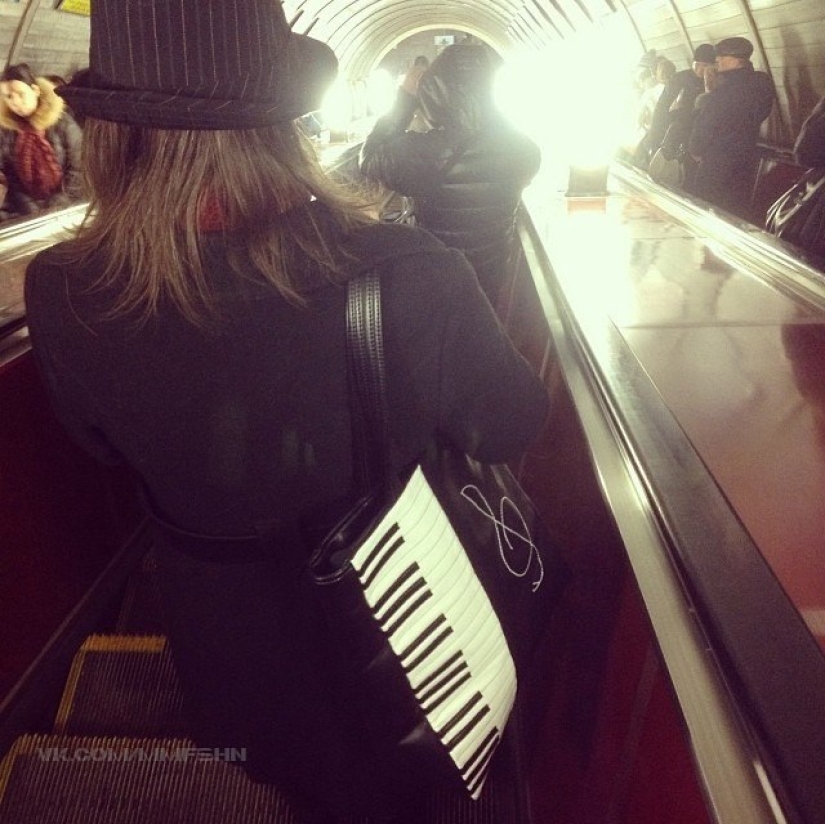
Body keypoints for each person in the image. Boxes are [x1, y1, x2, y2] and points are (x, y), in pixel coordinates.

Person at [23, 2, 549, 823]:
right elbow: (509, 424)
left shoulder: (61, 286)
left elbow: (101, 444)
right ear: (284, 123)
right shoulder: (403, 270)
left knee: (278, 771)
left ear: (113, 137)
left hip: (220, 643)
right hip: (395, 635)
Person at [359, 44, 541, 309]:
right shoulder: (523, 149)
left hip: (435, 276)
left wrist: (405, 97)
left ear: (434, 91)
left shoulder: (424, 152)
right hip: (491, 275)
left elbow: (369, 158)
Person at [687, 36, 774, 219]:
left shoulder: (723, 89)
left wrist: (695, 150)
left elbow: (705, 127)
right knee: (734, 215)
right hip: (746, 161)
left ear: (734, 61)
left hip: (715, 166)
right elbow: (763, 113)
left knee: (707, 215)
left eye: (721, 58)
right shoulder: (762, 84)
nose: (717, 61)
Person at [0, 63, 83, 217]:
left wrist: (56, 205)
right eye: (9, 97)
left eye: (20, 93)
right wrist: (31, 208)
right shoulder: (7, 131)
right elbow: (11, 174)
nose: (15, 102)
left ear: (35, 90)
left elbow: (79, 169)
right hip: (26, 210)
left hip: (67, 207)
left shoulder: (62, 123)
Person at [644, 44, 716, 166]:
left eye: (704, 66)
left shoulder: (717, 83)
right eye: (696, 65)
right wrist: (655, 138)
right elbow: (661, 109)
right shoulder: (681, 79)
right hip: (678, 131)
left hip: (700, 136)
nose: (699, 70)